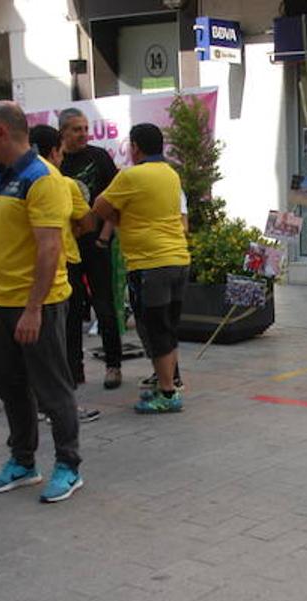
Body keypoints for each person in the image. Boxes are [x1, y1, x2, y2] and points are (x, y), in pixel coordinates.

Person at [0, 100, 82, 503]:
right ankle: (23, 462)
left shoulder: (43, 178)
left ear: (1, 132)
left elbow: (50, 248)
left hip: (40, 304)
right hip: (0, 303)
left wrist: (34, 308)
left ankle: (68, 466)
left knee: (53, 390)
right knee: (10, 386)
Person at [92, 122, 190, 415]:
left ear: (135, 147)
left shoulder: (131, 176)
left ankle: (168, 393)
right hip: (178, 260)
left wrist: (122, 222)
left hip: (151, 263)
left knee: (156, 328)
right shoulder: (170, 175)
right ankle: (168, 384)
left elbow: (99, 206)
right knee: (168, 327)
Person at [29, 123, 100, 424]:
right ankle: (62, 404)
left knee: (36, 341)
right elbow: (88, 222)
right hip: (61, 267)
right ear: (56, 150)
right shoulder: (61, 182)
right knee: (63, 338)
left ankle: (38, 401)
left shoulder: (15, 179)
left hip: (26, 271)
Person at [58, 107, 124, 390]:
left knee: (105, 307)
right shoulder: (56, 165)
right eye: (76, 129)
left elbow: (114, 203)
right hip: (68, 249)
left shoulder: (99, 158)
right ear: (63, 133)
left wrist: (103, 238)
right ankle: (74, 369)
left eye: (85, 128)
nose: (83, 134)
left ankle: (113, 365)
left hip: (96, 245)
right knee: (72, 310)